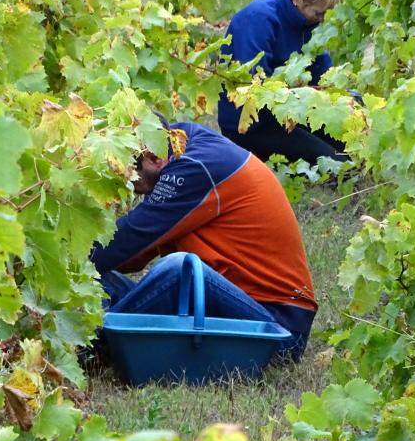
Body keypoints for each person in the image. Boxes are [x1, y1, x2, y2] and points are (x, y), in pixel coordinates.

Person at [90, 120, 316, 360]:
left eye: (131, 178)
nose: (132, 190)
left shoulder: (195, 167)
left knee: (179, 270)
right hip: (226, 306)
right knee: (95, 277)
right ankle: (94, 328)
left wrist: (71, 258)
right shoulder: (178, 152)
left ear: (154, 157)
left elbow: (129, 238)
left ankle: (102, 343)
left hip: (278, 328)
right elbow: (131, 256)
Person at [218, 0, 353, 164]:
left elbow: (323, 73)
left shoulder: (305, 21)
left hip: (291, 112)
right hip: (253, 126)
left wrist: (344, 97)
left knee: (352, 144)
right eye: (319, 13)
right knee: (335, 163)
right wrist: (309, 96)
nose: (323, 19)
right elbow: (257, 91)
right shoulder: (258, 20)